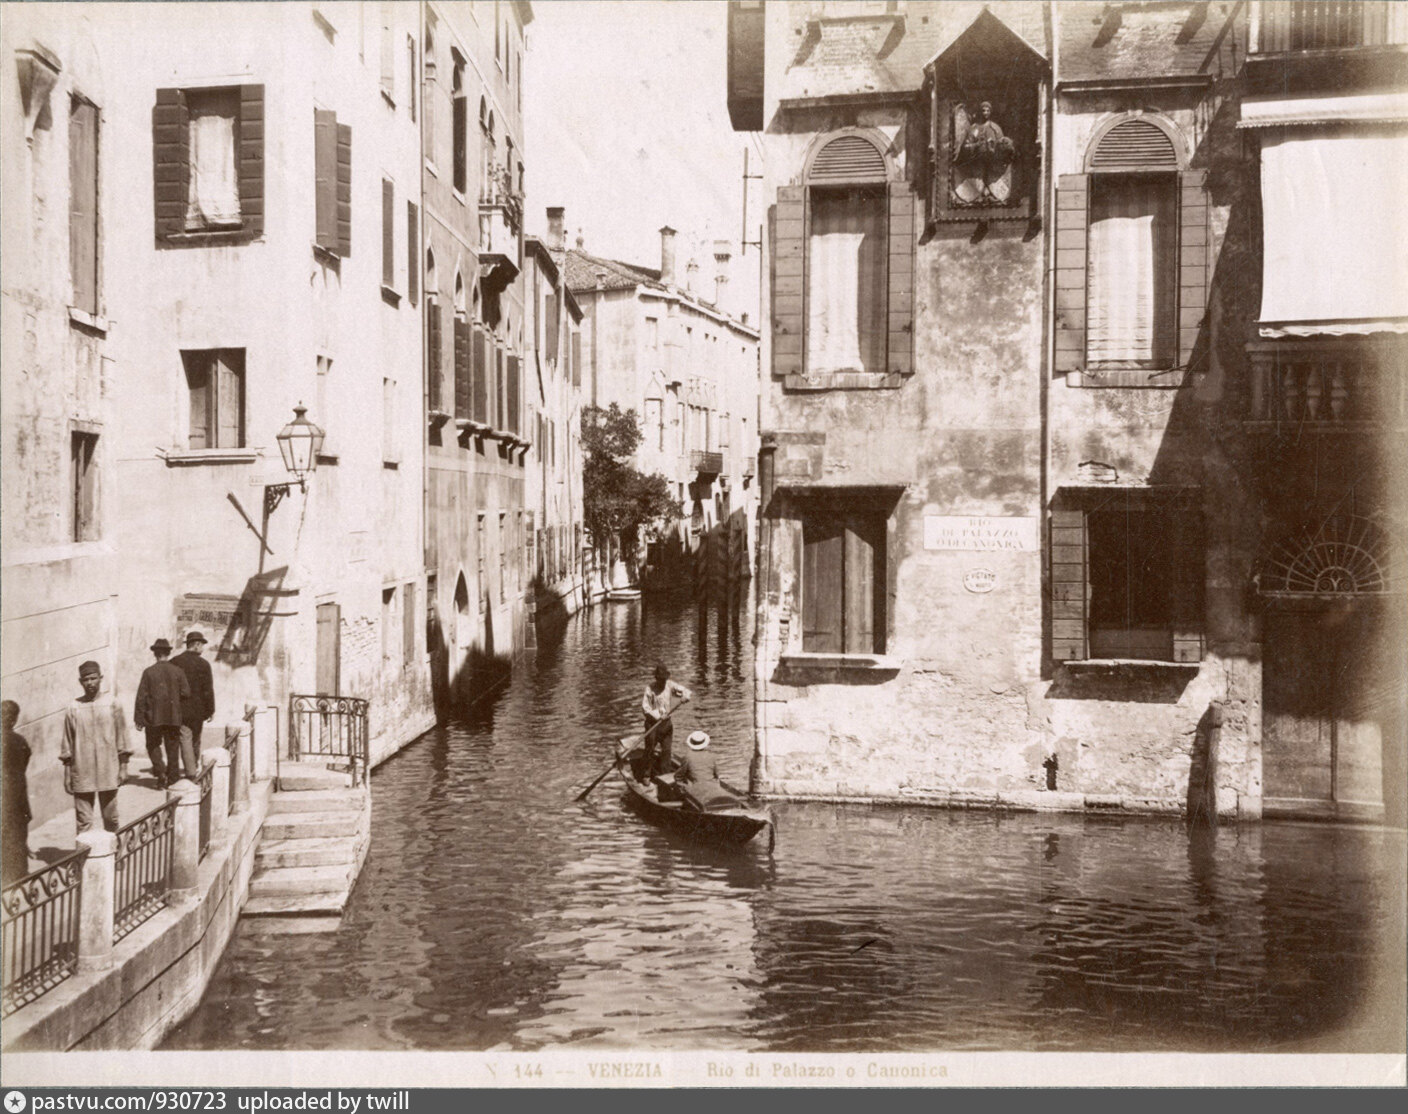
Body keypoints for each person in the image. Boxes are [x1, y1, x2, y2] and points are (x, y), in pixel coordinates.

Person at [61, 662, 131, 834]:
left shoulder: (112, 704)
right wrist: (68, 775)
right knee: (83, 822)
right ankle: (84, 852)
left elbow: (122, 737)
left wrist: (123, 767)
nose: (90, 683)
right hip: (82, 771)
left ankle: (114, 851)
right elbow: (67, 744)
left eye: (93, 678)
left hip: (108, 769)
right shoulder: (73, 707)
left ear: (100, 678)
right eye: (86, 680)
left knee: (111, 818)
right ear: (80, 682)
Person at [134, 638, 191, 786]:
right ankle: (173, 779)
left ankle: (160, 772)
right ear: (168, 653)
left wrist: (138, 718)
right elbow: (186, 692)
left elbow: (141, 697)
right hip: (173, 717)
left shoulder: (148, 672)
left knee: (152, 745)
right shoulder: (178, 671)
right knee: (172, 748)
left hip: (153, 717)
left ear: (155, 654)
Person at [172, 629, 215, 772]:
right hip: (199, 710)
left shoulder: (175, 662)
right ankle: (193, 768)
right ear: (196, 645)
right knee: (196, 739)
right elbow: (208, 690)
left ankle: (191, 770)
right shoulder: (204, 664)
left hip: (181, 708)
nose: (202, 648)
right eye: (202, 645)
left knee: (185, 738)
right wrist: (210, 710)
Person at [641, 663, 691, 778]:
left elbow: (686, 691)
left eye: (664, 680)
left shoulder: (669, 685)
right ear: (656, 678)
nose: (663, 682)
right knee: (649, 749)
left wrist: (685, 697)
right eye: (661, 680)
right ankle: (646, 775)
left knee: (666, 751)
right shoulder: (650, 688)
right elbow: (645, 709)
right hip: (652, 724)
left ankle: (665, 775)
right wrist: (658, 716)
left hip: (666, 724)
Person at [3, 700, 33, 883]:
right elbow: (25, 760)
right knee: (18, 835)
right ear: (15, 720)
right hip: (15, 797)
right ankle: (19, 875)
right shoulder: (19, 741)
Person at [671, 730, 737, 812]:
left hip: (697, 788)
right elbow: (716, 775)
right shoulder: (711, 756)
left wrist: (684, 787)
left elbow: (678, 777)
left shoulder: (687, 757)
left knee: (675, 787)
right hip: (712, 786)